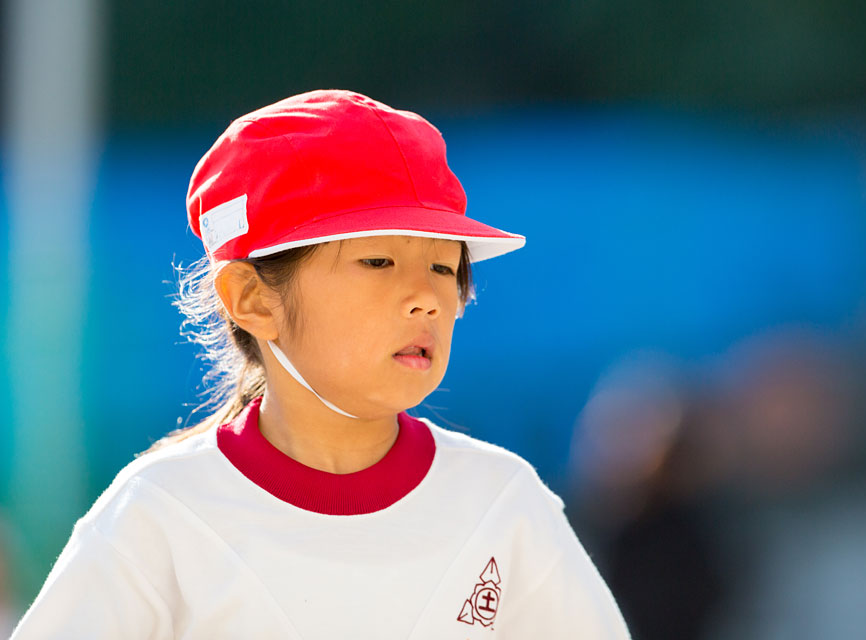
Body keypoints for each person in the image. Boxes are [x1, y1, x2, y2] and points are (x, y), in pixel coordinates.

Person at [10, 89, 631, 638]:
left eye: (444, 266)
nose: (427, 298)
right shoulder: (158, 515)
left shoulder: (502, 502)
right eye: (378, 261)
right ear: (253, 299)